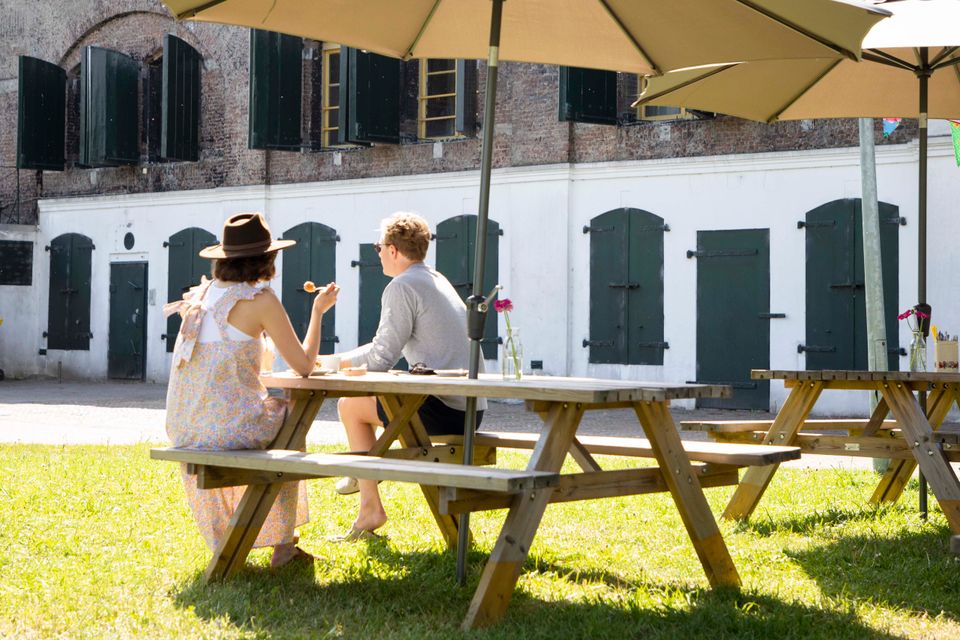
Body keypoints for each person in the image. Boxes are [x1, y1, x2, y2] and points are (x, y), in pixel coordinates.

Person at [164, 212, 339, 567]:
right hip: (227, 428)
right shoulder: (260, 300)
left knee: (271, 412)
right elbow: (304, 366)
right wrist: (319, 312)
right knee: (293, 419)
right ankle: (284, 547)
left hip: (185, 427)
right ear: (267, 259)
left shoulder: (202, 295)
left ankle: (232, 540)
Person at [336, 212, 485, 538]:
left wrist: (334, 364)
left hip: (447, 410)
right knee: (360, 404)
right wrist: (339, 360)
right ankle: (361, 470)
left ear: (392, 250)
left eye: (378, 246)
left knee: (349, 405)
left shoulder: (401, 287)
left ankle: (368, 500)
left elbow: (380, 357)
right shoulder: (435, 279)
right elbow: (385, 348)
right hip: (472, 410)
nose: (376, 252)